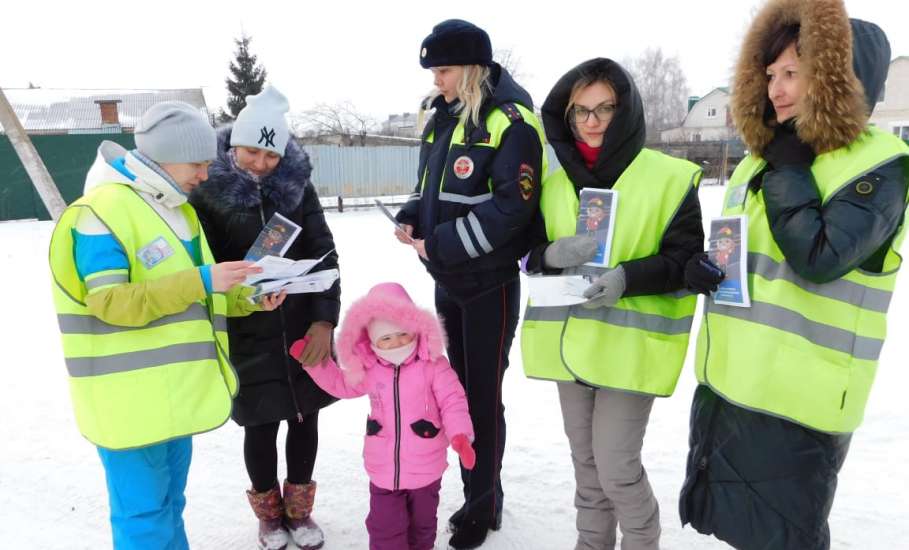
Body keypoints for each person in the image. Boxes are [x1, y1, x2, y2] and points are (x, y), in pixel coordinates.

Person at [679, 1, 909, 548]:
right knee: (741, 530)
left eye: (793, 74)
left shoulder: (878, 164)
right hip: (735, 384)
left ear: (834, 78)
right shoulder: (765, 159)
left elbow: (821, 256)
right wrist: (706, 270)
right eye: (770, 75)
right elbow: (751, 253)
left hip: (800, 403)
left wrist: (789, 169)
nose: (776, 90)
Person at [48, 101, 284, 550]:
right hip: (128, 403)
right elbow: (110, 302)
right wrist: (201, 280)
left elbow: (202, 292)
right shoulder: (100, 212)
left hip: (174, 395)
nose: (204, 175)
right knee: (143, 517)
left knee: (169, 506)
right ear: (163, 158)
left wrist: (250, 298)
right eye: (197, 164)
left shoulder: (179, 211)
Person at [521, 58, 705, 550]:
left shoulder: (669, 178)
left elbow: (686, 259)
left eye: (604, 108)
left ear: (626, 111)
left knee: (617, 468)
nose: (592, 121)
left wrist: (629, 277)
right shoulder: (553, 180)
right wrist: (548, 254)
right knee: (586, 468)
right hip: (568, 345)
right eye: (580, 111)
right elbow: (528, 251)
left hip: (629, 349)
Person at [393, 18, 546, 549]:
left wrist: (443, 244)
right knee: (454, 394)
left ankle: (480, 506)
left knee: (480, 397)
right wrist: (413, 216)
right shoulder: (443, 118)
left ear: (474, 69)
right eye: (434, 70)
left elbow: (514, 209)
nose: (437, 80)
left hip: (489, 284)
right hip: (446, 279)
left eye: (445, 70)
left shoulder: (511, 121)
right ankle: (482, 493)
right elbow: (431, 189)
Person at [189, 85, 339, 550]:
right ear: (234, 146)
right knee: (260, 424)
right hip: (245, 330)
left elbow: (324, 251)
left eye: (270, 155)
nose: (259, 162)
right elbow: (207, 264)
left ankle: (300, 511)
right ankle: (269, 516)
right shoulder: (206, 193)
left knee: (304, 417)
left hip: (298, 327)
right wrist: (245, 295)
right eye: (252, 151)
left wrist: (323, 322)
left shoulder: (298, 189)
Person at [290, 282, 476, 550]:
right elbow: (341, 384)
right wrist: (314, 363)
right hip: (383, 470)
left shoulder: (433, 365)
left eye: (402, 334)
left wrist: (460, 435)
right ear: (372, 340)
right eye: (386, 338)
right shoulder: (370, 368)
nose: (396, 343)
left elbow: (452, 400)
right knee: (385, 529)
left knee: (423, 527)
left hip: (427, 468)